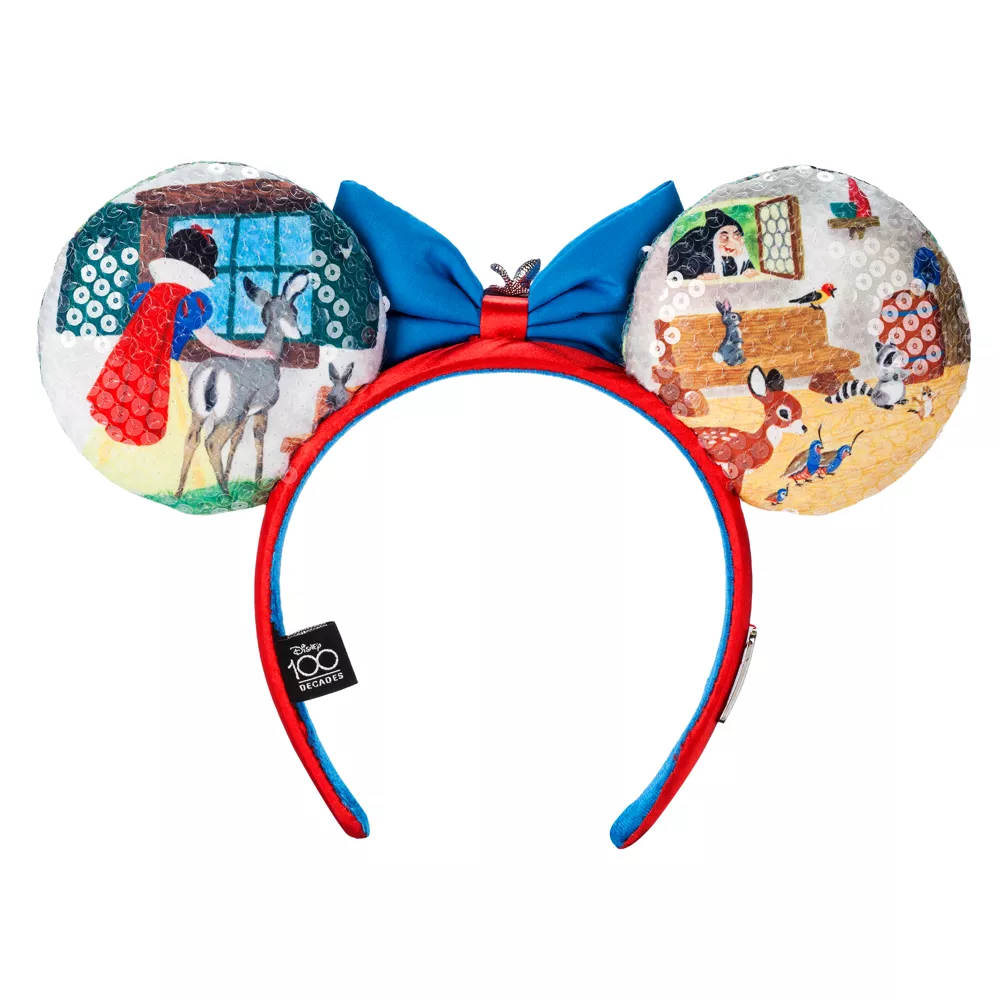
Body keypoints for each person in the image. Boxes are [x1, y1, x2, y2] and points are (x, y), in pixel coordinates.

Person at [84, 225, 272, 497]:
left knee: (126, 416)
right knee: (175, 426)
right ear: (203, 267)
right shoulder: (188, 302)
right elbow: (212, 342)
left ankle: (121, 471)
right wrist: (252, 353)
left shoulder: (148, 293)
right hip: (164, 373)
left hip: (130, 369)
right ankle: (164, 482)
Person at [667, 208, 758, 281]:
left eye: (736, 236)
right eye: (724, 237)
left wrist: (751, 273)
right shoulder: (701, 254)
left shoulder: (740, 256)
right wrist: (699, 278)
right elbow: (675, 276)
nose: (732, 243)